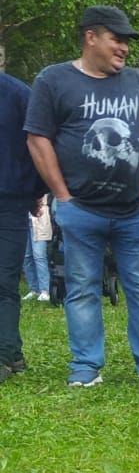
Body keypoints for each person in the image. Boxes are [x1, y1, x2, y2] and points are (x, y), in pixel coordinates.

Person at [24, 5, 139, 389]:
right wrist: (61, 194)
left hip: (133, 211)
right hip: (81, 210)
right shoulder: (53, 80)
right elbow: (37, 138)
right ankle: (86, 366)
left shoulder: (138, 83)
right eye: (117, 39)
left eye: (126, 42)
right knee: (82, 288)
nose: (124, 48)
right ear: (91, 36)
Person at [0, 70, 46, 381]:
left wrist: (36, 192)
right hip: (14, 198)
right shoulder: (20, 93)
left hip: (10, 200)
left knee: (4, 279)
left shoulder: (19, 95)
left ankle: (4, 355)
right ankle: (11, 352)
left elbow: (38, 146)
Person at [23, 201, 52, 301]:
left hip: (40, 218)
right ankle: (34, 289)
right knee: (26, 257)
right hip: (23, 220)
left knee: (39, 257)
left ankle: (45, 291)